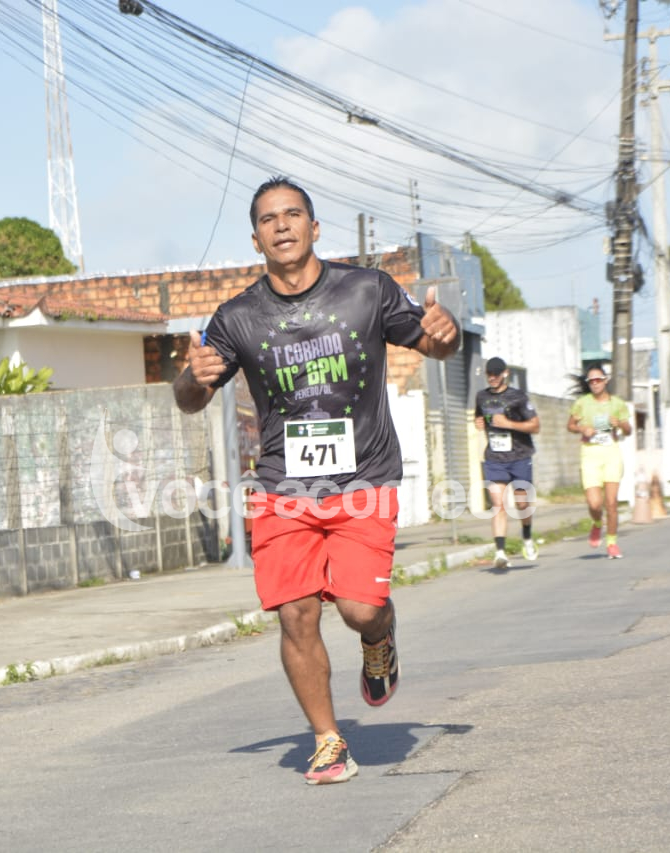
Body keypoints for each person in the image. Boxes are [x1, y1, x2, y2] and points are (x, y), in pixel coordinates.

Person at [174, 177, 459, 786]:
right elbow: (192, 397)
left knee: (360, 609)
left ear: (314, 226)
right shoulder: (238, 317)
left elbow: (434, 343)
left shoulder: (366, 290)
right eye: (268, 219)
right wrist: (192, 378)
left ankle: (379, 638)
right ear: (256, 239)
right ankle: (328, 740)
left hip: (364, 478)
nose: (282, 225)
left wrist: (446, 333)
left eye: (293, 214)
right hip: (284, 487)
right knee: (296, 614)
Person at [474, 357, 541, 567]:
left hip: (519, 456)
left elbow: (535, 426)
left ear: (505, 373)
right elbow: (481, 418)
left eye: (496, 373)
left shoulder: (518, 397)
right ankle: (500, 553)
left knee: (522, 504)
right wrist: (479, 422)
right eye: (489, 374)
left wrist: (508, 424)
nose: (492, 377)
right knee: (498, 504)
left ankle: (527, 537)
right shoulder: (481, 396)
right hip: (495, 459)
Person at [567, 366, 633, 559]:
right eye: (591, 381)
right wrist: (582, 429)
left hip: (611, 453)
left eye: (598, 380)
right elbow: (570, 425)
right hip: (590, 454)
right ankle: (597, 523)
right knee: (595, 504)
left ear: (606, 380)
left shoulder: (617, 404)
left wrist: (619, 424)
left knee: (611, 503)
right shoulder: (582, 403)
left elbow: (628, 430)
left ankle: (612, 543)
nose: (595, 384)